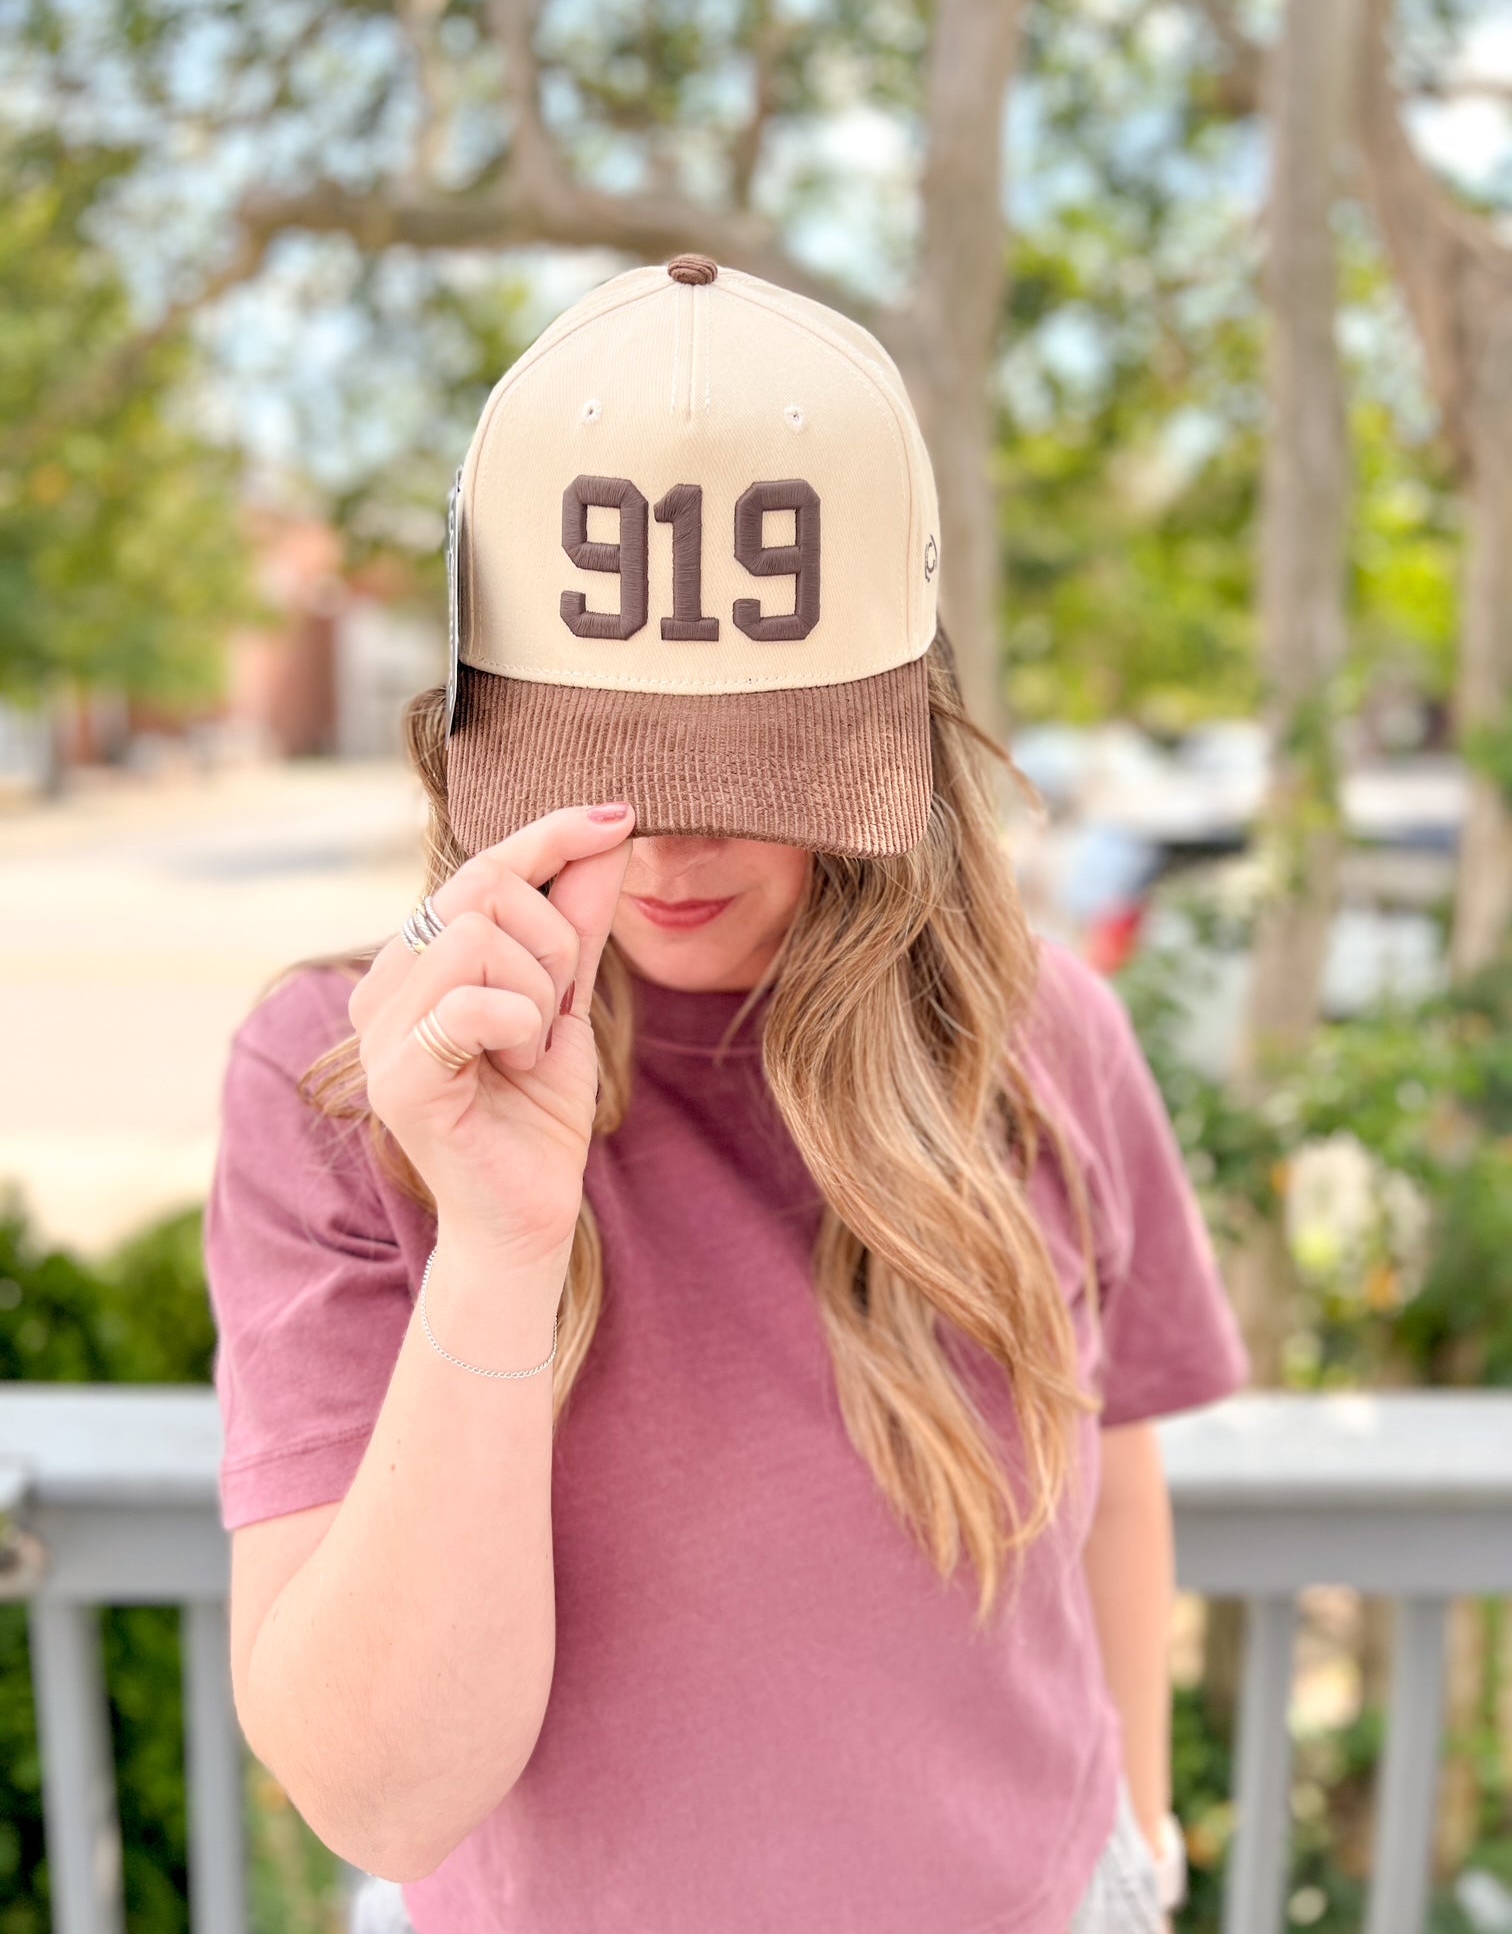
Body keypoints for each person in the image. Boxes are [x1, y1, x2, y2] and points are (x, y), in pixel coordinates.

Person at [203, 253, 1250, 1934]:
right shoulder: (338, 1078)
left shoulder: (1046, 1035)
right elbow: (386, 1796)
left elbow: (1112, 1467)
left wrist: (1141, 1837)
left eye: (757, 763)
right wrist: (498, 1240)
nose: (673, 841)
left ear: (901, 730)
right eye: (605, 764)